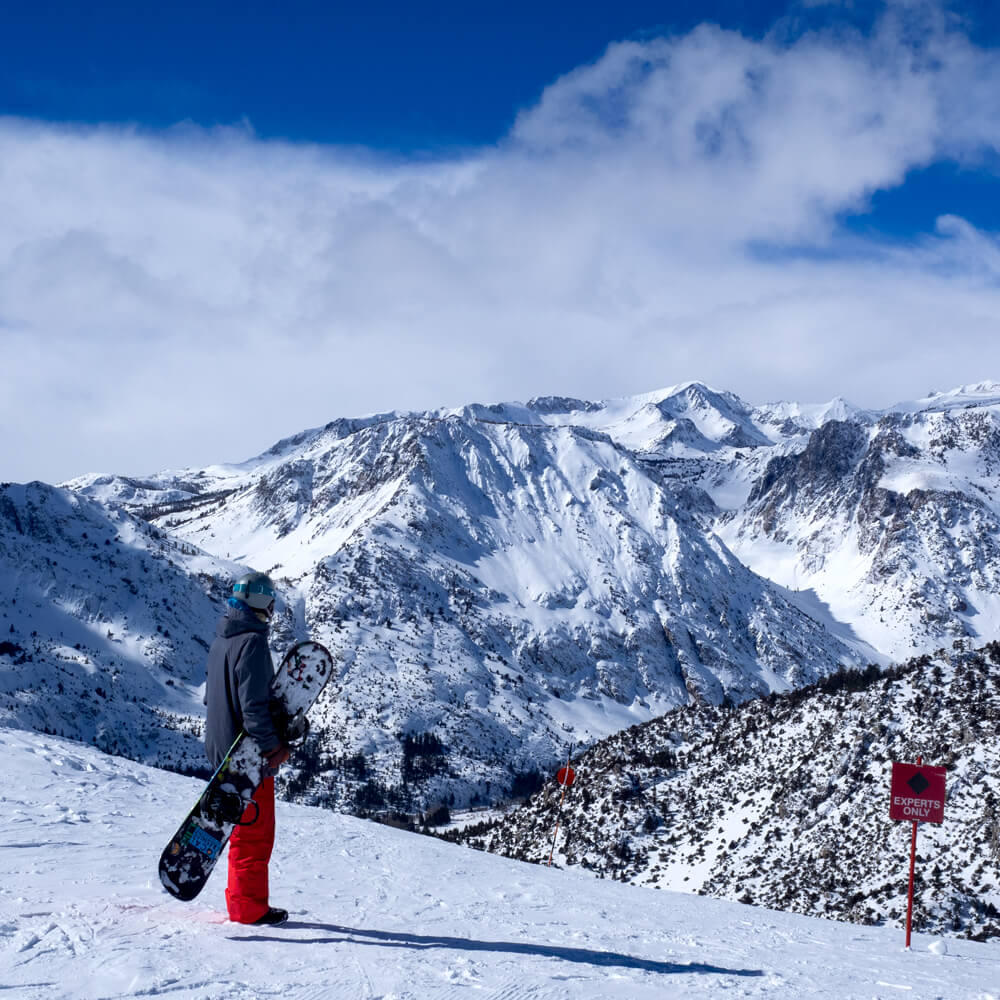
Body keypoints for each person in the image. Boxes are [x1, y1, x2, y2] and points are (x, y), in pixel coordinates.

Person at [204, 571, 291, 926]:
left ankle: (241, 900)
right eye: (269, 600)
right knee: (254, 833)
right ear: (257, 601)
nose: (272, 607)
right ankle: (248, 907)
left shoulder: (221, 639)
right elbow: (253, 706)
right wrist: (274, 747)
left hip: (221, 748)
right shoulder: (252, 642)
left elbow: (213, 697)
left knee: (238, 829)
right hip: (247, 757)